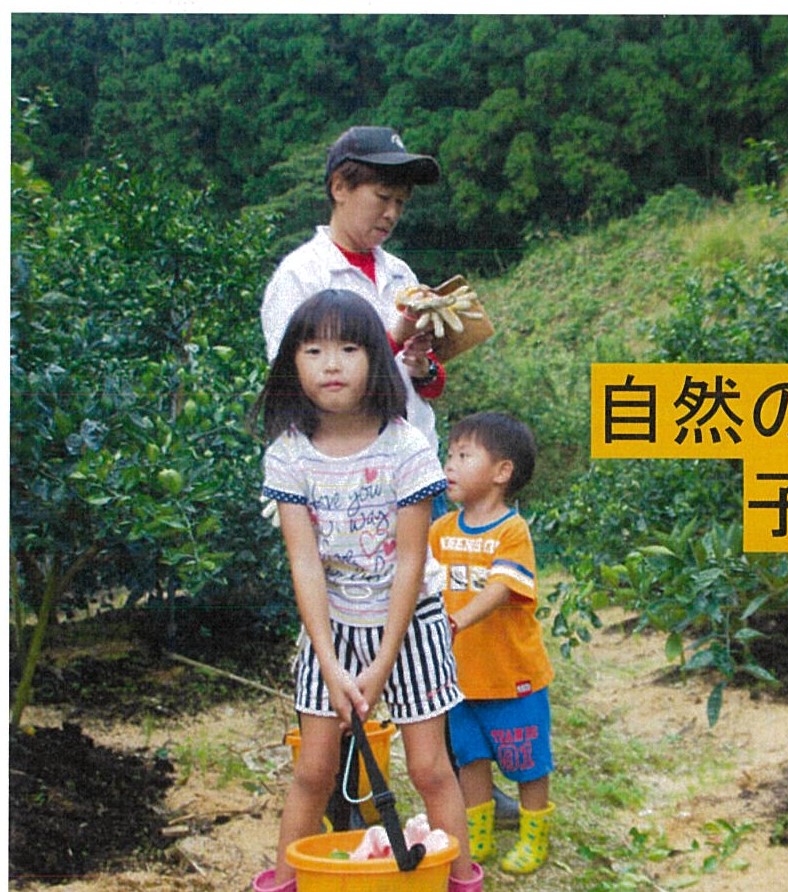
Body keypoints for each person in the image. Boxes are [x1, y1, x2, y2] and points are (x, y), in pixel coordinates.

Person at [252, 290, 481, 892]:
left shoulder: (405, 447)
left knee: (431, 768)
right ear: (291, 364)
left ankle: (459, 881)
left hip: (411, 627)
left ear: (375, 360)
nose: (332, 364)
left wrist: (381, 665)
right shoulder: (289, 457)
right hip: (332, 630)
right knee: (314, 769)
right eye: (314, 349)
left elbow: (411, 562)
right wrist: (329, 664)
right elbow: (305, 566)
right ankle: (285, 881)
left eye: (349, 348)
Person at [260, 124, 447, 453]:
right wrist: (393, 336)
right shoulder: (301, 276)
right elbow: (294, 380)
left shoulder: (400, 274)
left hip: (417, 465)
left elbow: (429, 386)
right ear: (340, 188)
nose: (391, 214)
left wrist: (425, 366)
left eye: (401, 203)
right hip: (345, 474)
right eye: (383, 198)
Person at [431, 412, 557, 873]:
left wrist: (457, 619)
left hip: (513, 677)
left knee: (527, 761)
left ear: (502, 472)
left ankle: (533, 836)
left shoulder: (511, 531)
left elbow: (502, 587)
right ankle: (477, 837)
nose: (450, 464)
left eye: (464, 455)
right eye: (449, 455)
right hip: (461, 680)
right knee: (471, 758)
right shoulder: (441, 531)